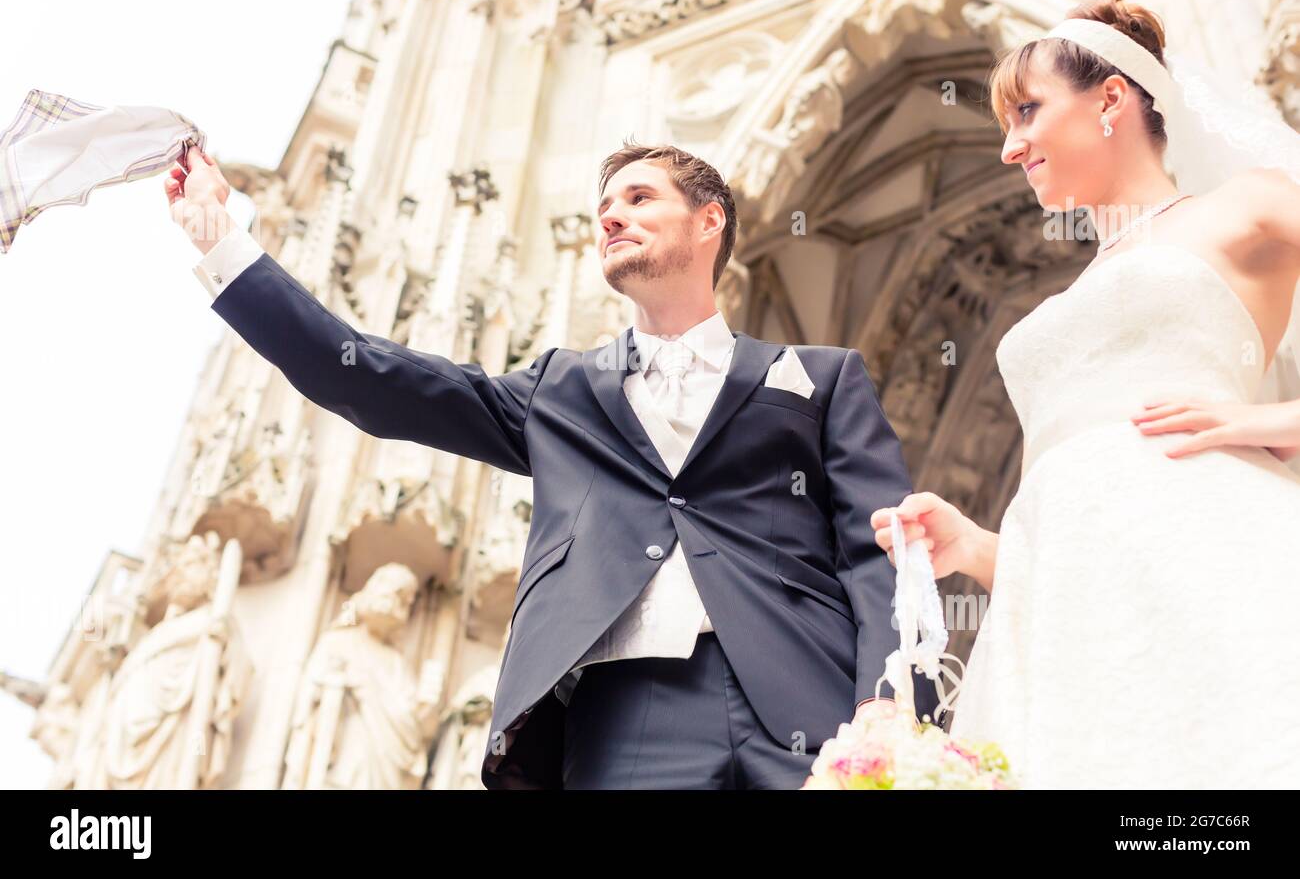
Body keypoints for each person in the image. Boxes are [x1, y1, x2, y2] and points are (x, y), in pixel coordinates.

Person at [165, 141, 939, 789]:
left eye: (639, 199)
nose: (613, 216)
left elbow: (886, 550)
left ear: (711, 221)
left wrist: (894, 704)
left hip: (809, 706)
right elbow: (366, 377)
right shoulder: (561, 391)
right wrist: (223, 246)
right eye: (606, 207)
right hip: (623, 720)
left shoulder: (822, 376)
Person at [872, 0, 1300, 788]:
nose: (1010, 146)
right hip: (1071, 628)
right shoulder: (1057, 310)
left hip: (1217, 554)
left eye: (1027, 111)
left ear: (1112, 99)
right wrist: (975, 547)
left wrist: (1275, 419)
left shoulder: (1246, 206)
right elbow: (1064, 525)